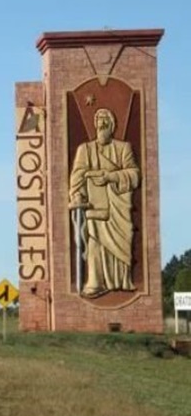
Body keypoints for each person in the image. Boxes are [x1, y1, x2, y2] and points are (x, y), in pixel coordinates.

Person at [68, 108, 140, 298]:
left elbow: (134, 174)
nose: (102, 125)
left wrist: (110, 176)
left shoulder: (123, 148)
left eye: (105, 121)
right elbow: (77, 176)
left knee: (124, 242)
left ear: (112, 125)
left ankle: (121, 281)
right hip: (94, 204)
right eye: (99, 121)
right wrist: (77, 195)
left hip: (118, 206)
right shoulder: (85, 149)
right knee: (94, 239)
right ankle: (95, 281)